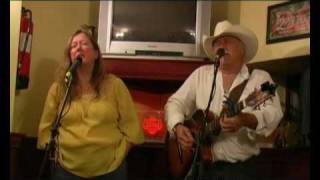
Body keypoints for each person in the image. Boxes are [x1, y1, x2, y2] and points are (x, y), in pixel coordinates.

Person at [165, 20, 283, 180]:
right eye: (217, 42)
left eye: (227, 40)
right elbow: (175, 103)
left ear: (242, 48)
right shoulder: (200, 75)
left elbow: (273, 113)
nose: (222, 45)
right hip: (201, 169)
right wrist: (178, 127)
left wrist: (245, 119)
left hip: (241, 172)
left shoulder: (260, 79)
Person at [37, 25, 144, 180]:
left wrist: (119, 155)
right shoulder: (59, 88)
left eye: (84, 44)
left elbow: (132, 128)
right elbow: (46, 128)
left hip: (110, 170)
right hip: (66, 170)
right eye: (73, 46)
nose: (78, 48)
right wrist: (56, 155)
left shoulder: (115, 85)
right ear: (70, 55)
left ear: (96, 53)